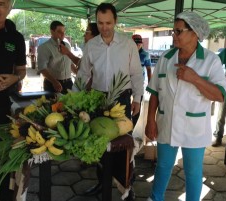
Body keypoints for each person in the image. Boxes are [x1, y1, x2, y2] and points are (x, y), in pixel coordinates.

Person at [145, 11, 226, 201]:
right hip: (166, 122)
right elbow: (155, 92)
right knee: (163, 166)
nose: (173, 35)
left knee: (192, 172)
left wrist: (195, 78)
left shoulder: (210, 60)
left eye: (178, 31)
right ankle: (155, 198)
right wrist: (151, 120)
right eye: (173, 30)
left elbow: (220, 95)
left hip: (194, 127)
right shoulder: (166, 58)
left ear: (195, 33)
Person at [76, 3, 143, 201]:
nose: (104, 27)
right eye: (100, 23)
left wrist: (137, 98)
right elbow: (82, 75)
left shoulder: (127, 44)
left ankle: (126, 188)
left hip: (121, 99)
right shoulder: (91, 45)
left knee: (123, 145)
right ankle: (101, 183)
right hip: (97, 99)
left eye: (108, 23)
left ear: (116, 21)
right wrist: (73, 99)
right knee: (99, 144)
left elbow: (136, 74)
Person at [0, 0, 27, 200]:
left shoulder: (16, 38)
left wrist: (14, 78)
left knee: (3, 156)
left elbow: (22, 70)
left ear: (9, 8)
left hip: (2, 107)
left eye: (1, 4)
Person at [37, 20, 76, 94]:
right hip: (53, 84)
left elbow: (69, 63)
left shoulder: (67, 45)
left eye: (64, 32)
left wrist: (78, 73)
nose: (63, 34)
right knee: (53, 105)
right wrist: (54, 82)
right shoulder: (44, 47)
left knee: (70, 104)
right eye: (59, 32)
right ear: (52, 32)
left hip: (68, 83)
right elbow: (42, 68)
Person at [131, 34, 152, 126]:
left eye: (139, 43)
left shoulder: (145, 54)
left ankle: (134, 124)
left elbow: (149, 69)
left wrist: (150, 83)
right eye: (136, 43)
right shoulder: (128, 52)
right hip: (126, 82)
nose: (138, 45)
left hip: (139, 83)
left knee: (137, 103)